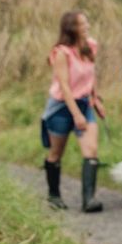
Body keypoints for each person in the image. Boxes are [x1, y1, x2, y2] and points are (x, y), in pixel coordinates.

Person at [40, 11, 105, 212]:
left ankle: (89, 199)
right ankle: (54, 195)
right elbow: (65, 86)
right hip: (62, 107)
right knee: (56, 153)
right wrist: (75, 114)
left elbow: (90, 76)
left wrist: (96, 98)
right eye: (83, 24)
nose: (87, 27)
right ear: (72, 28)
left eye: (87, 22)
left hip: (85, 103)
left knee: (91, 150)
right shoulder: (61, 53)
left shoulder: (90, 46)